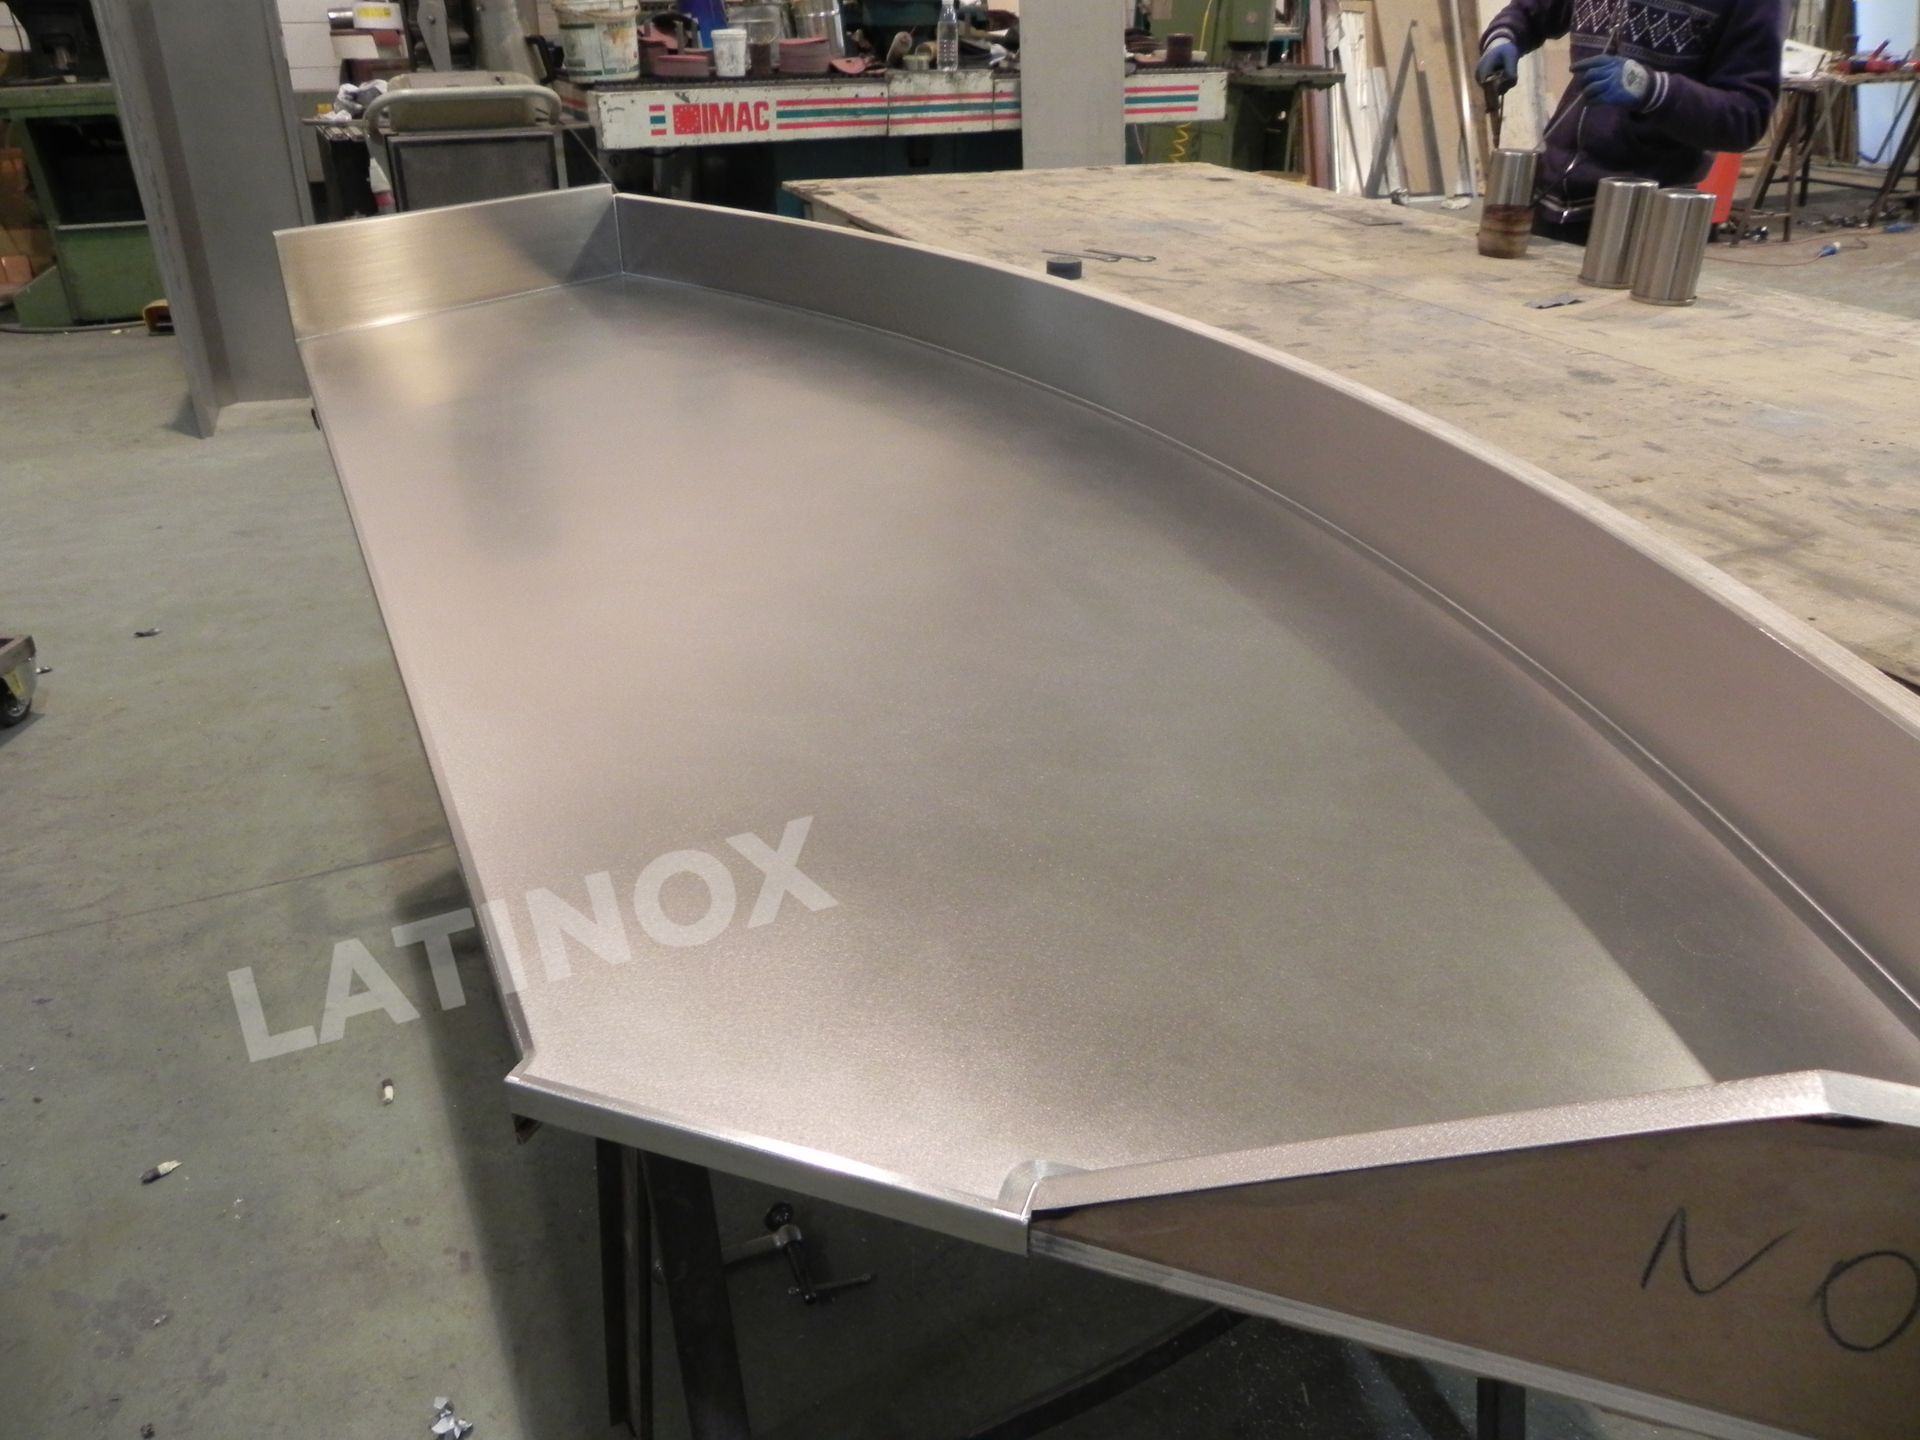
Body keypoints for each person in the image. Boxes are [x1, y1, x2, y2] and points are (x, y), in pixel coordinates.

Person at [1473, 0, 1784, 242]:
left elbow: (1747, 116)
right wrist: (1506, 36)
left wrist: (1652, 90)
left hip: (1645, 222)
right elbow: (1535, 10)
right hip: (1550, 200)